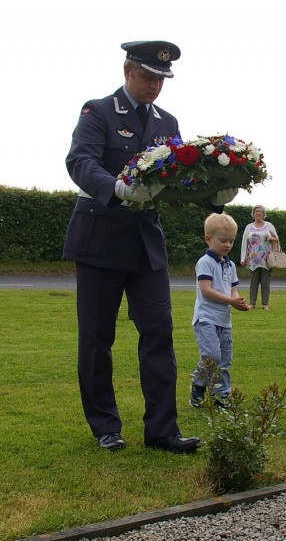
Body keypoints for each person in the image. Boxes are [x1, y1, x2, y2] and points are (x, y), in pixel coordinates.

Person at [63, 40, 238, 453]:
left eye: (161, 79)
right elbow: (80, 162)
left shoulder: (167, 121)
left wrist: (214, 196)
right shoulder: (98, 111)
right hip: (101, 239)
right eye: (147, 76)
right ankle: (106, 425)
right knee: (96, 338)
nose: (154, 85)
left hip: (145, 245)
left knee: (159, 332)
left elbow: (177, 181)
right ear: (128, 71)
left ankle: (162, 429)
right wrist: (116, 188)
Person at [189, 213, 250, 409]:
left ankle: (222, 395)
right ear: (208, 239)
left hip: (224, 320)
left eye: (231, 241)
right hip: (206, 319)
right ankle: (198, 384)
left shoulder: (230, 264)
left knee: (224, 359)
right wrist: (231, 301)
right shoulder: (205, 262)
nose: (228, 245)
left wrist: (238, 302)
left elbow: (233, 289)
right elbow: (206, 291)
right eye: (223, 240)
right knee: (211, 356)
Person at [239, 204, 279, 310]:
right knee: (253, 282)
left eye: (260, 211)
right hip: (252, 259)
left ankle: (265, 304)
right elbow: (244, 243)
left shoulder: (269, 226)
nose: (258, 213)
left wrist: (272, 239)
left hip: (266, 259)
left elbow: (276, 239)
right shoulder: (249, 227)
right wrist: (243, 258)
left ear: (263, 214)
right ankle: (252, 303)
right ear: (253, 214)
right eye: (256, 211)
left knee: (265, 282)